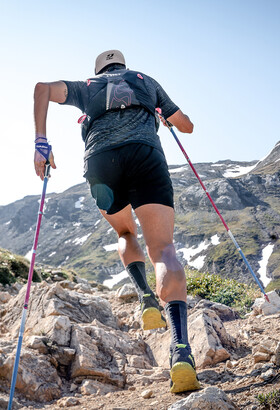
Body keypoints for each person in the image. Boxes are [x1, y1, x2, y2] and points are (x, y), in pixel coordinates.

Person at [33, 50, 200, 393]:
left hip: (101, 161)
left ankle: (145, 298)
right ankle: (181, 350)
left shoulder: (87, 87)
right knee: (164, 250)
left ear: (99, 71)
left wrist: (41, 143)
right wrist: (164, 117)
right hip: (145, 155)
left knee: (125, 231)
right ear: (124, 67)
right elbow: (187, 126)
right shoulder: (146, 82)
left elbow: (41, 88)